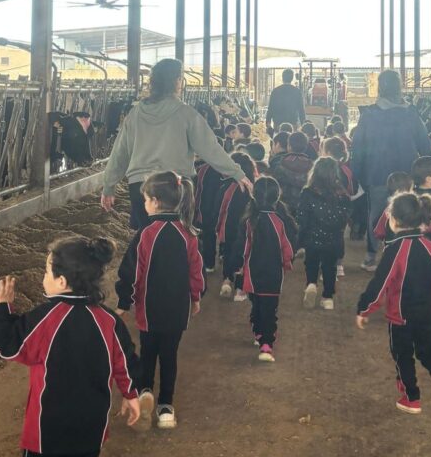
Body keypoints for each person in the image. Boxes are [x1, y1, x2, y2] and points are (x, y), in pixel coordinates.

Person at [0, 238, 140, 457]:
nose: (43, 278)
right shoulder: (108, 320)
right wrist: (131, 394)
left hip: (45, 428)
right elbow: (125, 360)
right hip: (90, 428)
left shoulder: (45, 318)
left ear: (62, 281)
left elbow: (8, 343)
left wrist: (2, 308)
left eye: (46, 272)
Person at [101, 59, 251, 230]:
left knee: (147, 237)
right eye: (180, 78)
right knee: (178, 237)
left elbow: (119, 153)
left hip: (141, 186)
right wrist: (236, 172)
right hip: (176, 186)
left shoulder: (135, 114)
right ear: (176, 81)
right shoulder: (186, 114)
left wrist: (109, 186)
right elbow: (210, 148)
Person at [356, 191, 431, 417]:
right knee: (429, 351)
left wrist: (364, 309)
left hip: (401, 317)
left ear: (394, 221)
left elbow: (380, 282)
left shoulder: (395, 249)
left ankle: (411, 398)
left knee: (403, 355)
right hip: (427, 313)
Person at [115, 172, 203, 430]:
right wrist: (195, 298)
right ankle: (166, 408)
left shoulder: (145, 234)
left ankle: (145, 392)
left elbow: (131, 271)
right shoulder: (188, 234)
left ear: (155, 201)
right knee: (169, 355)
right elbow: (196, 272)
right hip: (177, 309)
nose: (144, 204)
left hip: (149, 309)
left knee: (148, 351)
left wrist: (124, 302)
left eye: (145, 199)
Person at [351, 70, 431, 271]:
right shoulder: (411, 113)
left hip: (377, 173)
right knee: (406, 212)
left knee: (376, 213)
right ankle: (404, 254)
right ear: (399, 87)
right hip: (406, 174)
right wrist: (428, 169)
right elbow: (425, 144)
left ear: (380, 88)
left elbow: (358, 147)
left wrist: (357, 174)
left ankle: (371, 256)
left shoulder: (370, 114)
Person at [225, 176, 297, 363]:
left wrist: (236, 266)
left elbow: (242, 247)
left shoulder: (249, 221)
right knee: (269, 308)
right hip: (273, 274)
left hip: (252, 273)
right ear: (277, 197)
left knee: (256, 303)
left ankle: (258, 332)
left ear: (254, 196)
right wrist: (287, 262)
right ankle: (266, 345)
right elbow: (288, 247)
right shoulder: (281, 221)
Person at [298, 157, 351, 311]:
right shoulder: (342, 194)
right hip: (333, 239)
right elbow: (345, 218)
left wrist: (300, 239)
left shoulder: (307, 192)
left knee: (311, 262)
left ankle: (311, 284)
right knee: (330, 267)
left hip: (312, 237)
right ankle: (328, 298)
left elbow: (302, 217)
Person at [217, 152, 257, 300]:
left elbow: (221, 209)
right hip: (248, 228)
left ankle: (227, 281)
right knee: (244, 255)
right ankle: (240, 289)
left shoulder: (227, 187)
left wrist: (219, 227)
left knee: (228, 252)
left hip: (229, 226)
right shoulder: (254, 187)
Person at [322, 135, 358, 278]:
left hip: (324, 208)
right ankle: (339, 265)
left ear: (328, 152)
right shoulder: (346, 169)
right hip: (343, 208)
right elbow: (353, 189)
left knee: (325, 236)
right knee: (338, 235)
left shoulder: (323, 168)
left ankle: (327, 266)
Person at [270, 131, 313, 213]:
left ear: (289, 146)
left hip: (284, 208)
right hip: (304, 207)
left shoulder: (280, 164)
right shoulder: (312, 165)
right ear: (306, 147)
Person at [373, 170, 413, 245]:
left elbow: (379, 231)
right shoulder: (414, 206)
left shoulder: (389, 208)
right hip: (411, 242)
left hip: (391, 242)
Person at [265, 69, 306, 134]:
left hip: (278, 123)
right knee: (291, 139)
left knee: (279, 139)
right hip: (292, 123)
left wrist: (268, 122)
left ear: (282, 78)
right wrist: (303, 124)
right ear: (292, 78)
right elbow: (301, 109)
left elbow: (270, 108)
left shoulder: (275, 91)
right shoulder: (297, 92)